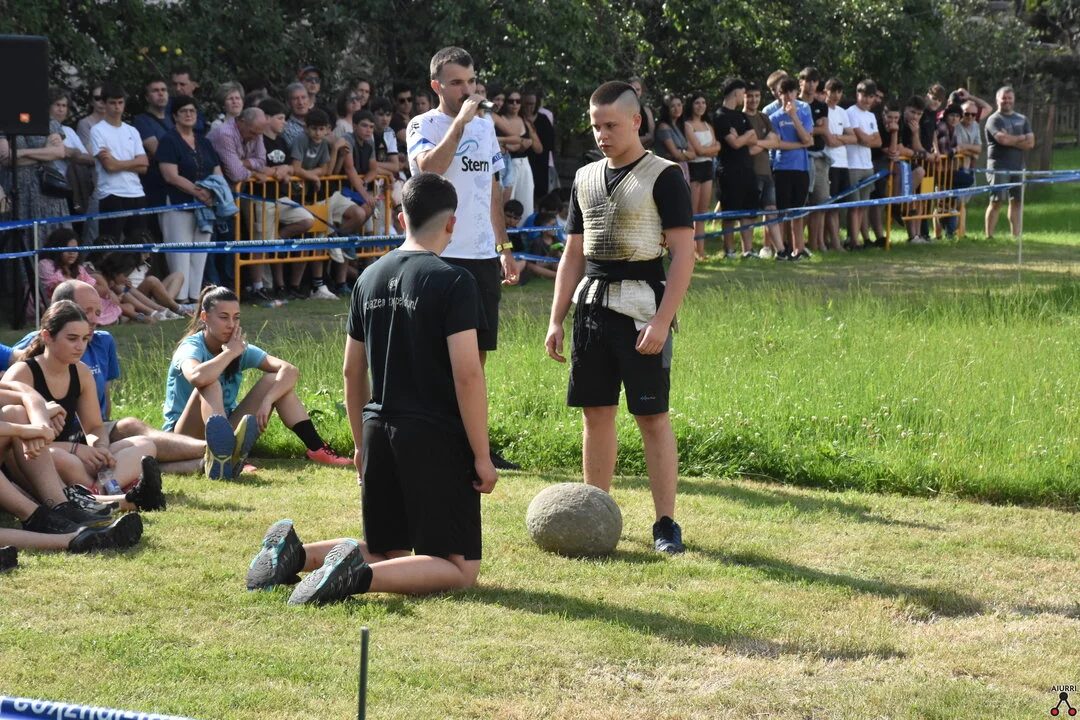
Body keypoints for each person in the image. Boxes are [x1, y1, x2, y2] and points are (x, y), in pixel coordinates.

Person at [246, 172, 498, 604]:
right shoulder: (455, 281)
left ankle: (296, 555)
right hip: (434, 435)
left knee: (388, 550)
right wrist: (481, 455)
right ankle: (351, 578)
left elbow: (351, 371)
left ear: (401, 219)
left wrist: (361, 444)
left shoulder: (368, 278)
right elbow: (468, 375)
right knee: (459, 568)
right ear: (451, 223)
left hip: (378, 429)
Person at [544, 81, 694, 555]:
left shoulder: (664, 175)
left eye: (611, 125)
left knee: (652, 416)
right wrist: (556, 318)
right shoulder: (585, 177)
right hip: (591, 309)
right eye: (596, 126)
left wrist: (662, 320)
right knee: (595, 414)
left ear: (636, 121)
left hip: (642, 311)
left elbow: (684, 254)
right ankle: (596, 514)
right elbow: (573, 253)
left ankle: (665, 524)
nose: (602, 135)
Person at [407, 46, 520, 470]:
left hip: (480, 255)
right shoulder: (423, 124)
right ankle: (432, 440)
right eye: (456, 83)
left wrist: (503, 247)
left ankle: (474, 446)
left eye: (471, 82)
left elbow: (491, 189)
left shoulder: (486, 126)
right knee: (436, 355)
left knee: (476, 358)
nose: (467, 90)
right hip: (440, 255)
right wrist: (459, 123)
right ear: (436, 86)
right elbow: (429, 170)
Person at [14, 279, 205, 475]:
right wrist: (41, 411)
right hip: (45, 446)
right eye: (85, 312)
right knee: (116, 442)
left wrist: (100, 447)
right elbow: (11, 404)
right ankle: (209, 454)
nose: (93, 320)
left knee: (140, 442)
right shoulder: (33, 356)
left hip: (89, 434)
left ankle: (207, 458)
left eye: (98, 313)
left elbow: (97, 419)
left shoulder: (95, 351)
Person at [162, 285, 352, 480]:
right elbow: (197, 377)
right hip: (181, 438)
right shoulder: (191, 346)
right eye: (224, 317)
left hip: (222, 430)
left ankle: (317, 449)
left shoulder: (236, 347)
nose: (231, 324)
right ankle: (228, 456)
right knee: (210, 383)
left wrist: (268, 400)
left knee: (274, 380)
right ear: (205, 317)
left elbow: (290, 371)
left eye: (236, 317)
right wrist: (229, 354)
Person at [3, 301, 161, 500]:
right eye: (72, 339)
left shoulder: (81, 372)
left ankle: (100, 490)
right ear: (47, 336)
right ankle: (113, 490)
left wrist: (100, 448)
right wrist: (76, 449)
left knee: (145, 444)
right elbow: (14, 444)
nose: (80, 346)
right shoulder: (23, 373)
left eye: (85, 338)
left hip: (76, 454)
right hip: (39, 460)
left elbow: (94, 427)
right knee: (65, 460)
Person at [157, 95, 224, 304]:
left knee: (200, 255)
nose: (188, 114)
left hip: (205, 206)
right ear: (175, 115)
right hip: (178, 204)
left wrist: (213, 192)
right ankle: (179, 300)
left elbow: (217, 171)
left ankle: (195, 298)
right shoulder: (169, 140)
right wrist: (198, 192)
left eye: (192, 111)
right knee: (180, 254)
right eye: (184, 111)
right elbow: (170, 175)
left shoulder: (204, 141)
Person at [89, 83, 149, 243]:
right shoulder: (98, 130)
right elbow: (109, 166)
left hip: (136, 192)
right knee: (110, 244)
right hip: (111, 193)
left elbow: (144, 165)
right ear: (104, 103)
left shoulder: (132, 131)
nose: (117, 107)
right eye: (112, 103)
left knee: (139, 244)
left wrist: (117, 162)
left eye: (120, 102)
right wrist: (133, 163)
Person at [768, 77, 813, 261]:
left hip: (801, 168)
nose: (788, 96)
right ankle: (781, 250)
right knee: (781, 211)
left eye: (791, 92)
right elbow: (778, 144)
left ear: (796, 93)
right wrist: (800, 145)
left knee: (798, 212)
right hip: (782, 168)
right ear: (779, 94)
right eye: (784, 92)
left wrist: (794, 117)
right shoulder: (774, 117)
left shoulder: (804, 112)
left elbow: (808, 139)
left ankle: (798, 249)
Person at [714, 80, 758, 259]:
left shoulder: (741, 116)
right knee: (730, 213)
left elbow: (753, 139)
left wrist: (742, 137)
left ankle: (748, 250)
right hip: (729, 171)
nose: (744, 96)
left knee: (748, 211)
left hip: (747, 168)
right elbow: (734, 144)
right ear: (735, 93)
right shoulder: (720, 116)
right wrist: (744, 137)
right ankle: (730, 250)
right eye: (743, 93)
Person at [984, 86, 1034, 239]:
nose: (1006, 101)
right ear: (997, 100)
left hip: (1018, 166)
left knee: (1017, 201)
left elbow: (1030, 143)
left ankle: (1016, 236)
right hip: (998, 166)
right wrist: (1020, 138)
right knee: (996, 201)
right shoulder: (994, 120)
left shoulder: (1022, 119)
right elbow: (1002, 140)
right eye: (1003, 98)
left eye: (1009, 98)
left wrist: (1011, 139)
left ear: (1014, 100)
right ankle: (989, 236)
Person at [742, 81, 784, 258]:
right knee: (749, 213)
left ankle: (781, 251)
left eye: (757, 96)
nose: (754, 100)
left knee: (771, 210)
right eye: (750, 96)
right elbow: (748, 149)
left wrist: (758, 142)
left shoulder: (764, 117)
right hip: (749, 172)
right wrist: (766, 143)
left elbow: (776, 142)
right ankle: (748, 250)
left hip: (767, 172)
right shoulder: (741, 118)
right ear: (743, 97)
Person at [681, 92, 720, 259]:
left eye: (703, 103)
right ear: (691, 105)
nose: (701, 106)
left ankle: (701, 251)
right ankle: (688, 251)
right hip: (694, 168)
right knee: (693, 211)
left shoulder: (708, 125)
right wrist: (710, 149)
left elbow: (717, 148)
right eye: (697, 103)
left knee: (702, 212)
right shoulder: (687, 125)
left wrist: (708, 150)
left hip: (707, 168)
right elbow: (698, 150)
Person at [845, 80, 882, 250]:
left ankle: (859, 238)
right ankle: (853, 240)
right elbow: (860, 137)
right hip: (852, 165)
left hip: (867, 165)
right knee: (854, 206)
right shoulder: (850, 113)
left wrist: (868, 140)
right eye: (864, 96)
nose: (867, 100)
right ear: (857, 94)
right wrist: (868, 139)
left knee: (863, 206)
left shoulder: (871, 116)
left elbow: (878, 142)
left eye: (871, 97)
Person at [823, 78, 855, 251]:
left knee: (838, 206)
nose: (836, 95)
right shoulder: (822, 110)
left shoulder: (842, 112)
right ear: (825, 91)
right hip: (829, 162)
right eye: (832, 91)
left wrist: (839, 138)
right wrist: (840, 139)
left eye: (839, 92)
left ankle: (834, 240)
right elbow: (829, 141)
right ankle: (832, 242)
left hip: (843, 163)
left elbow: (853, 137)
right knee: (829, 205)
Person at [654, 95, 693, 181]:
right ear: (666, 109)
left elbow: (693, 154)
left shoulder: (679, 126)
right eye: (672, 106)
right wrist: (684, 153)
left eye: (679, 105)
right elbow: (676, 155)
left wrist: (681, 152)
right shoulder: (663, 127)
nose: (677, 109)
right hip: (670, 170)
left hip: (683, 168)